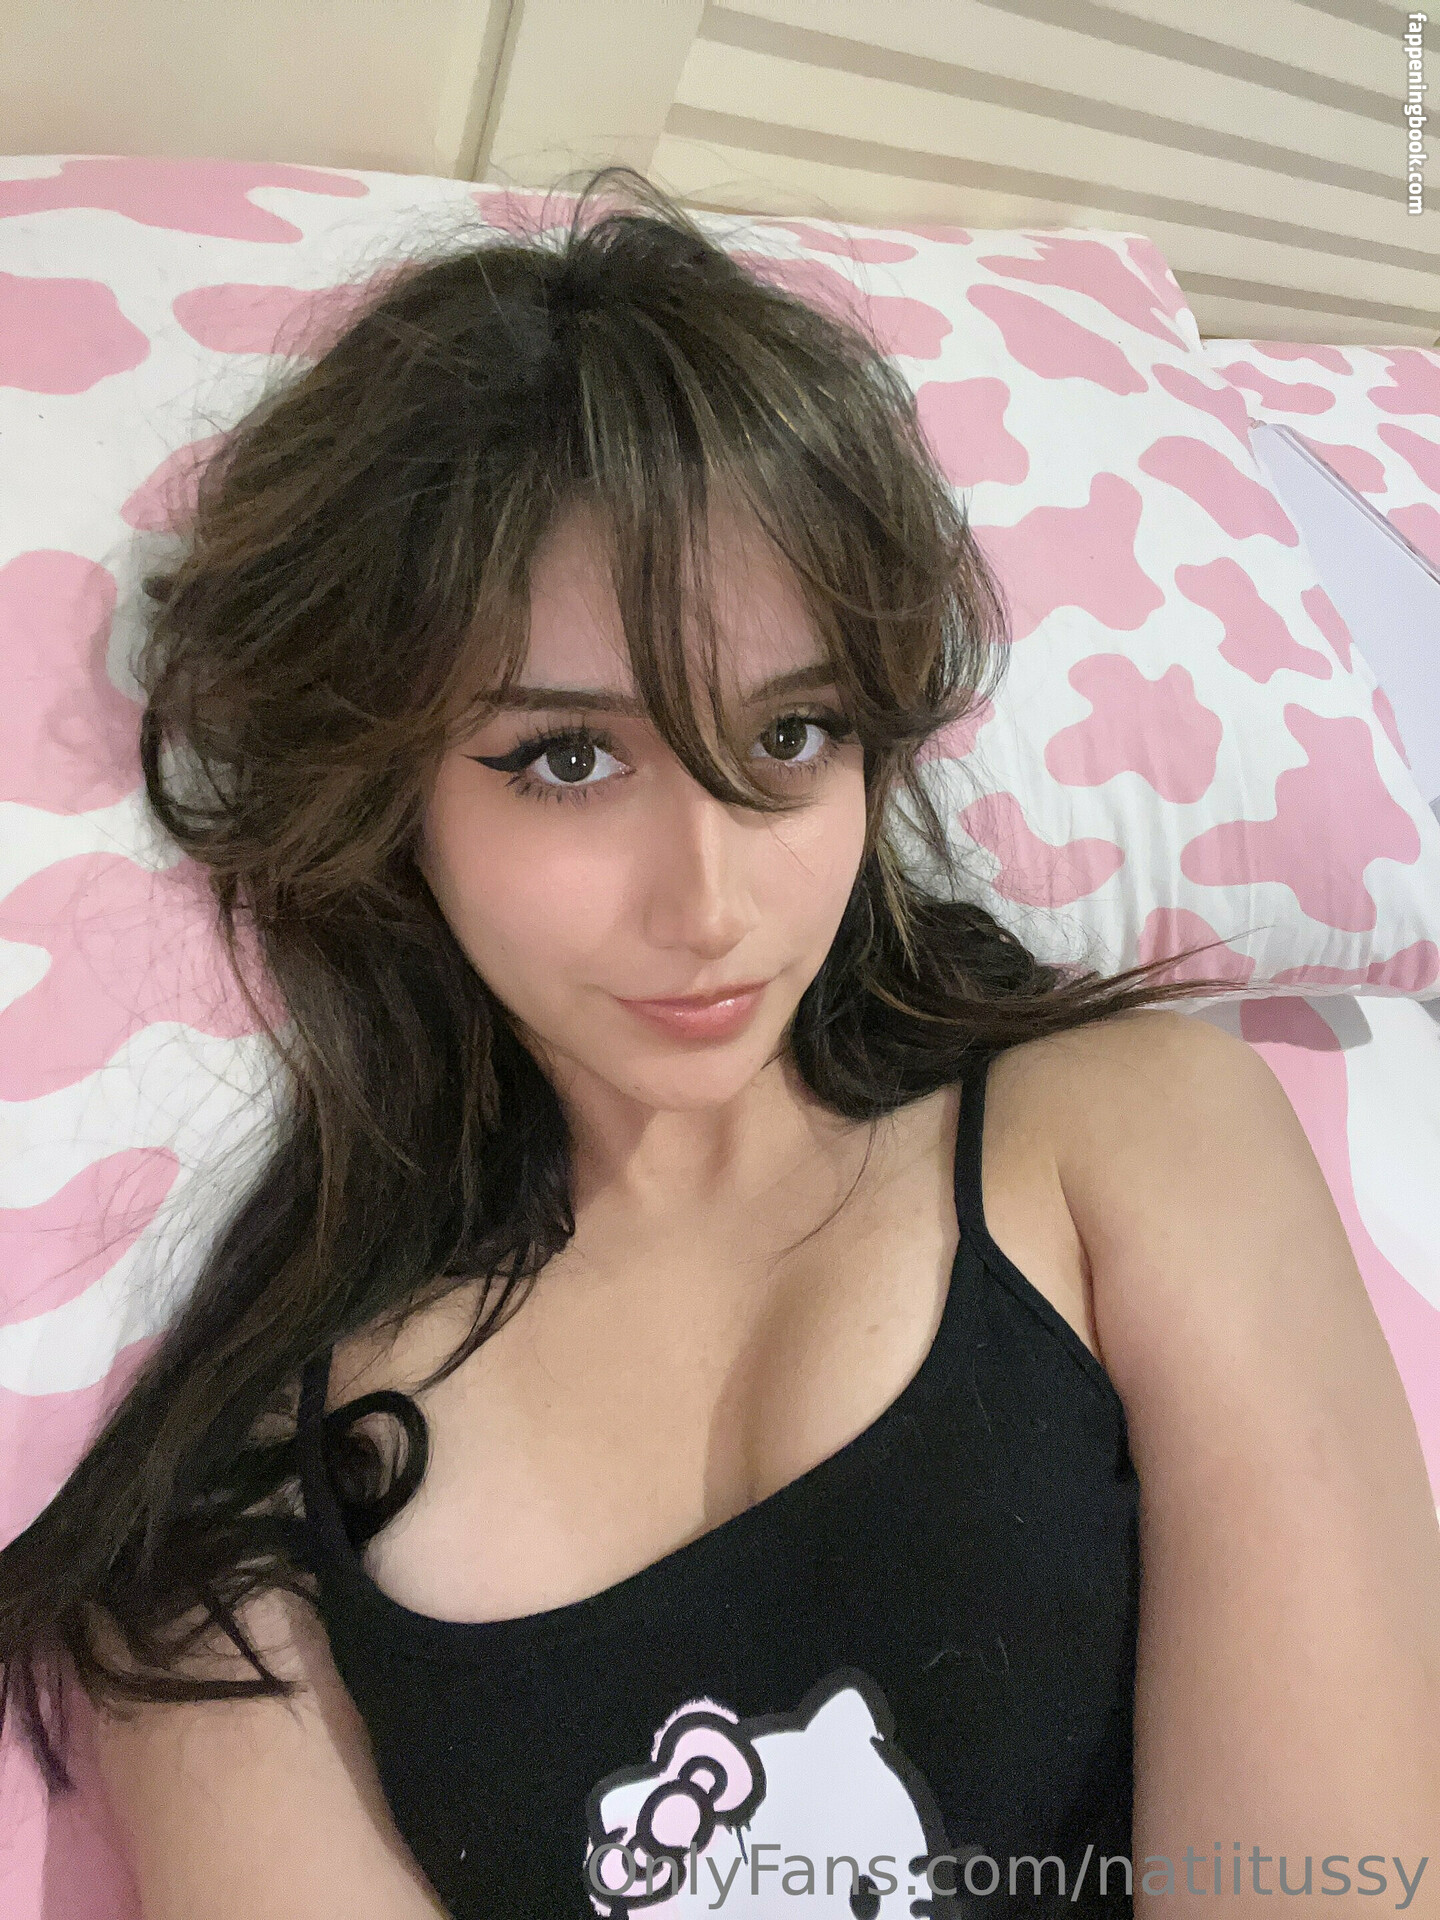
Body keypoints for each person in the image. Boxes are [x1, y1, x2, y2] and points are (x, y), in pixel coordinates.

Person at [1, 166, 1436, 1920]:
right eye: (569, 759)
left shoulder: (1137, 1137)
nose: (710, 903)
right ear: (384, 791)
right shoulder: (222, 1549)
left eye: (790, 735)